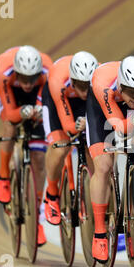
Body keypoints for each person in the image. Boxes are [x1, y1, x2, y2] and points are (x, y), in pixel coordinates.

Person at [86, 56, 134, 263]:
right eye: (132, 92)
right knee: (104, 165)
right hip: (101, 112)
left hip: (129, 113)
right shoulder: (103, 84)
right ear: (120, 86)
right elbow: (117, 126)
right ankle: (100, 232)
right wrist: (132, 122)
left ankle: (132, 188)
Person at [0, 45, 53, 246]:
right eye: (24, 79)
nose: (27, 83)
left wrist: (36, 110)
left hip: (38, 94)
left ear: (38, 74)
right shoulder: (3, 70)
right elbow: (10, 113)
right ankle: (3, 176)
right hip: (8, 91)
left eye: (31, 78)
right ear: (17, 72)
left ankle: (36, 217)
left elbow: (45, 105)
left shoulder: (48, 72)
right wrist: (21, 113)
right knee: (10, 125)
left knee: (40, 159)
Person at [41, 51, 99, 225]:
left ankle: (96, 195)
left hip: (84, 104)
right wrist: (77, 126)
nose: (84, 90)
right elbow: (68, 125)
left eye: (88, 85)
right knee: (61, 147)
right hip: (57, 102)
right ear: (73, 81)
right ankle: (51, 195)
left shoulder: (98, 80)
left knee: (95, 146)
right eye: (81, 86)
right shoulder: (58, 81)